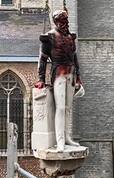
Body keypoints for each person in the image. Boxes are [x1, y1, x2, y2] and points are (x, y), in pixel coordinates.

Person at [35, 9, 84, 152]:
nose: (66, 24)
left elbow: (75, 59)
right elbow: (42, 59)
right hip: (59, 75)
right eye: (63, 21)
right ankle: (60, 141)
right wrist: (41, 79)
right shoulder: (49, 37)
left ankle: (67, 137)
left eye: (66, 21)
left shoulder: (70, 37)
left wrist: (79, 77)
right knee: (61, 108)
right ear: (56, 22)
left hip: (71, 74)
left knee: (68, 108)